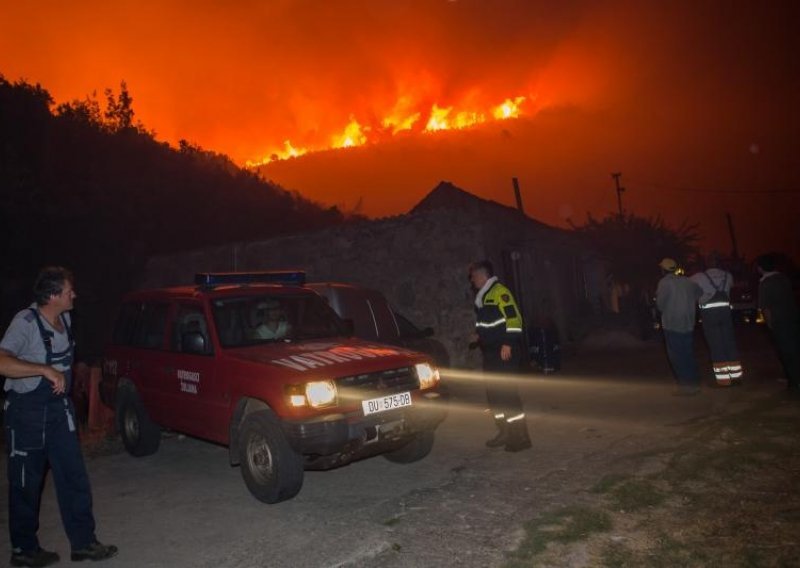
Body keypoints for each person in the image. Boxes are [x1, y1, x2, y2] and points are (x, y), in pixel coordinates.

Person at [0, 267, 117, 567]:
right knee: (26, 483)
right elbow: (2, 362)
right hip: (27, 412)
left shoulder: (64, 318)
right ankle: (24, 550)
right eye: (68, 291)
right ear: (53, 296)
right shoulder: (24, 323)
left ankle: (84, 543)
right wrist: (43, 369)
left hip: (58, 412)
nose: (73, 295)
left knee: (74, 477)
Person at [468, 260, 531, 452]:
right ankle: (504, 432)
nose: (472, 281)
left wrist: (508, 343)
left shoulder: (499, 292)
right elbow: (492, 323)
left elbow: (514, 318)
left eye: (473, 277)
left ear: (482, 276)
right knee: (495, 396)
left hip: (504, 352)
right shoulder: (484, 296)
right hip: (491, 352)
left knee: (507, 395)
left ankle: (520, 438)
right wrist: (479, 335)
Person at [690, 253, 743, 386]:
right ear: (719, 262)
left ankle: (724, 380)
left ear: (707, 263)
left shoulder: (698, 277)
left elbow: (687, 285)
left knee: (716, 344)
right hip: (725, 312)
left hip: (709, 313)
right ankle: (736, 377)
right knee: (729, 342)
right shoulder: (728, 275)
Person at [656, 258, 703, 395]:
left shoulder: (664, 283)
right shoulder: (687, 281)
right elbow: (699, 293)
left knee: (677, 357)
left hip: (672, 324)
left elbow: (660, 304)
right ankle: (694, 384)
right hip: (688, 323)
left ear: (663, 269)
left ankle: (686, 387)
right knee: (688, 354)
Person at [756, 254, 800, 394]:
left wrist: (769, 323)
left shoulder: (765, 283)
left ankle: (794, 381)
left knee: (786, 352)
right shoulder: (783, 278)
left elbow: (766, 308)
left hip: (779, 321)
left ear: (761, 268)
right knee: (795, 348)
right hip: (793, 318)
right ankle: (792, 378)